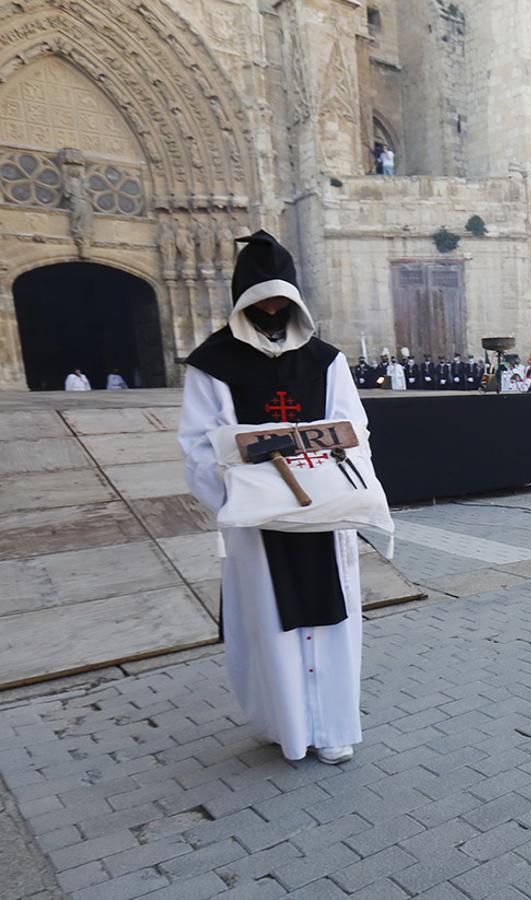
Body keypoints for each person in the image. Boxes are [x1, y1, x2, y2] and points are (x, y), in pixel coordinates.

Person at [177, 231, 367, 765]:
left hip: (323, 514)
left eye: (282, 300)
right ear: (243, 303)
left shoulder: (326, 361)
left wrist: (328, 475)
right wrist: (236, 497)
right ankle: (283, 724)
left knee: (332, 620)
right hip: (258, 521)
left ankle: (332, 727)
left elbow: (355, 428)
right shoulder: (212, 365)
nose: (273, 310)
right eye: (261, 302)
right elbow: (197, 445)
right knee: (266, 622)